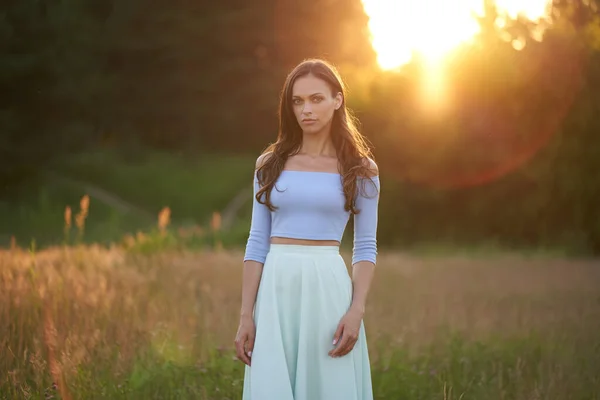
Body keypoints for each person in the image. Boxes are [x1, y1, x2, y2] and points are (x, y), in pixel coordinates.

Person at [234, 58, 380, 400]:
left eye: (316, 99)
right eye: (297, 101)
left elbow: (365, 246)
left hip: (327, 288)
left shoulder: (360, 169)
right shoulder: (270, 163)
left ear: (337, 100)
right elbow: (256, 243)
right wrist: (246, 315)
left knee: (327, 385)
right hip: (275, 289)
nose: (306, 110)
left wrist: (356, 310)